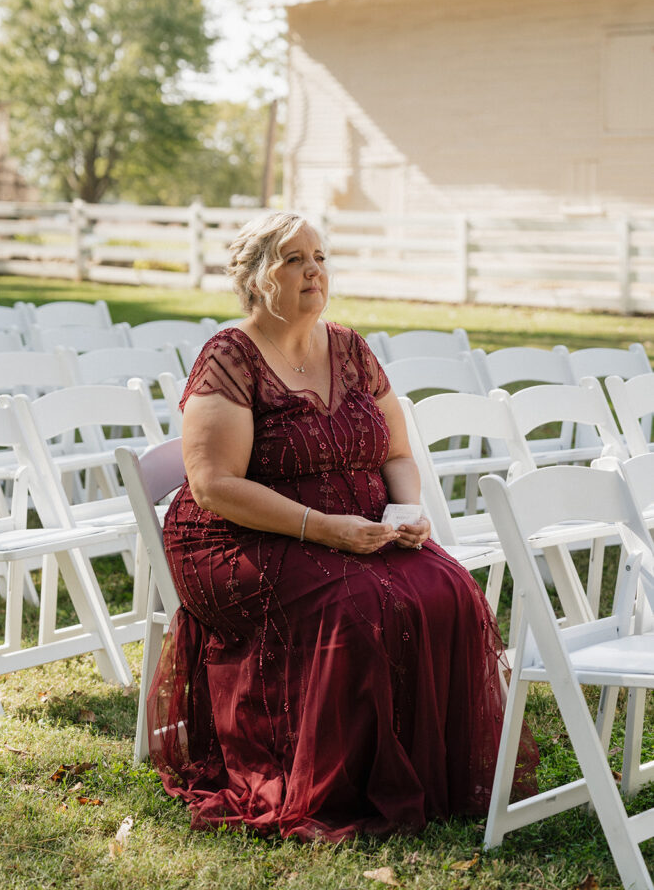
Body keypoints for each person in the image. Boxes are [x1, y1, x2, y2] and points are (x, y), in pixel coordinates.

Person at [148, 212, 537, 841]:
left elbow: (398, 455)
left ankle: (428, 773)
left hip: (360, 526)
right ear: (253, 278)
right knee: (356, 605)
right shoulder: (230, 355)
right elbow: (214, 485)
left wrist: (405, 511)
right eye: (293, 259)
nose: (313, 271)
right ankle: (342, 784)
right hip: (239, 537)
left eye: (320, 257)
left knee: (450, 589)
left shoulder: (352, 349)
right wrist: (325, 529)